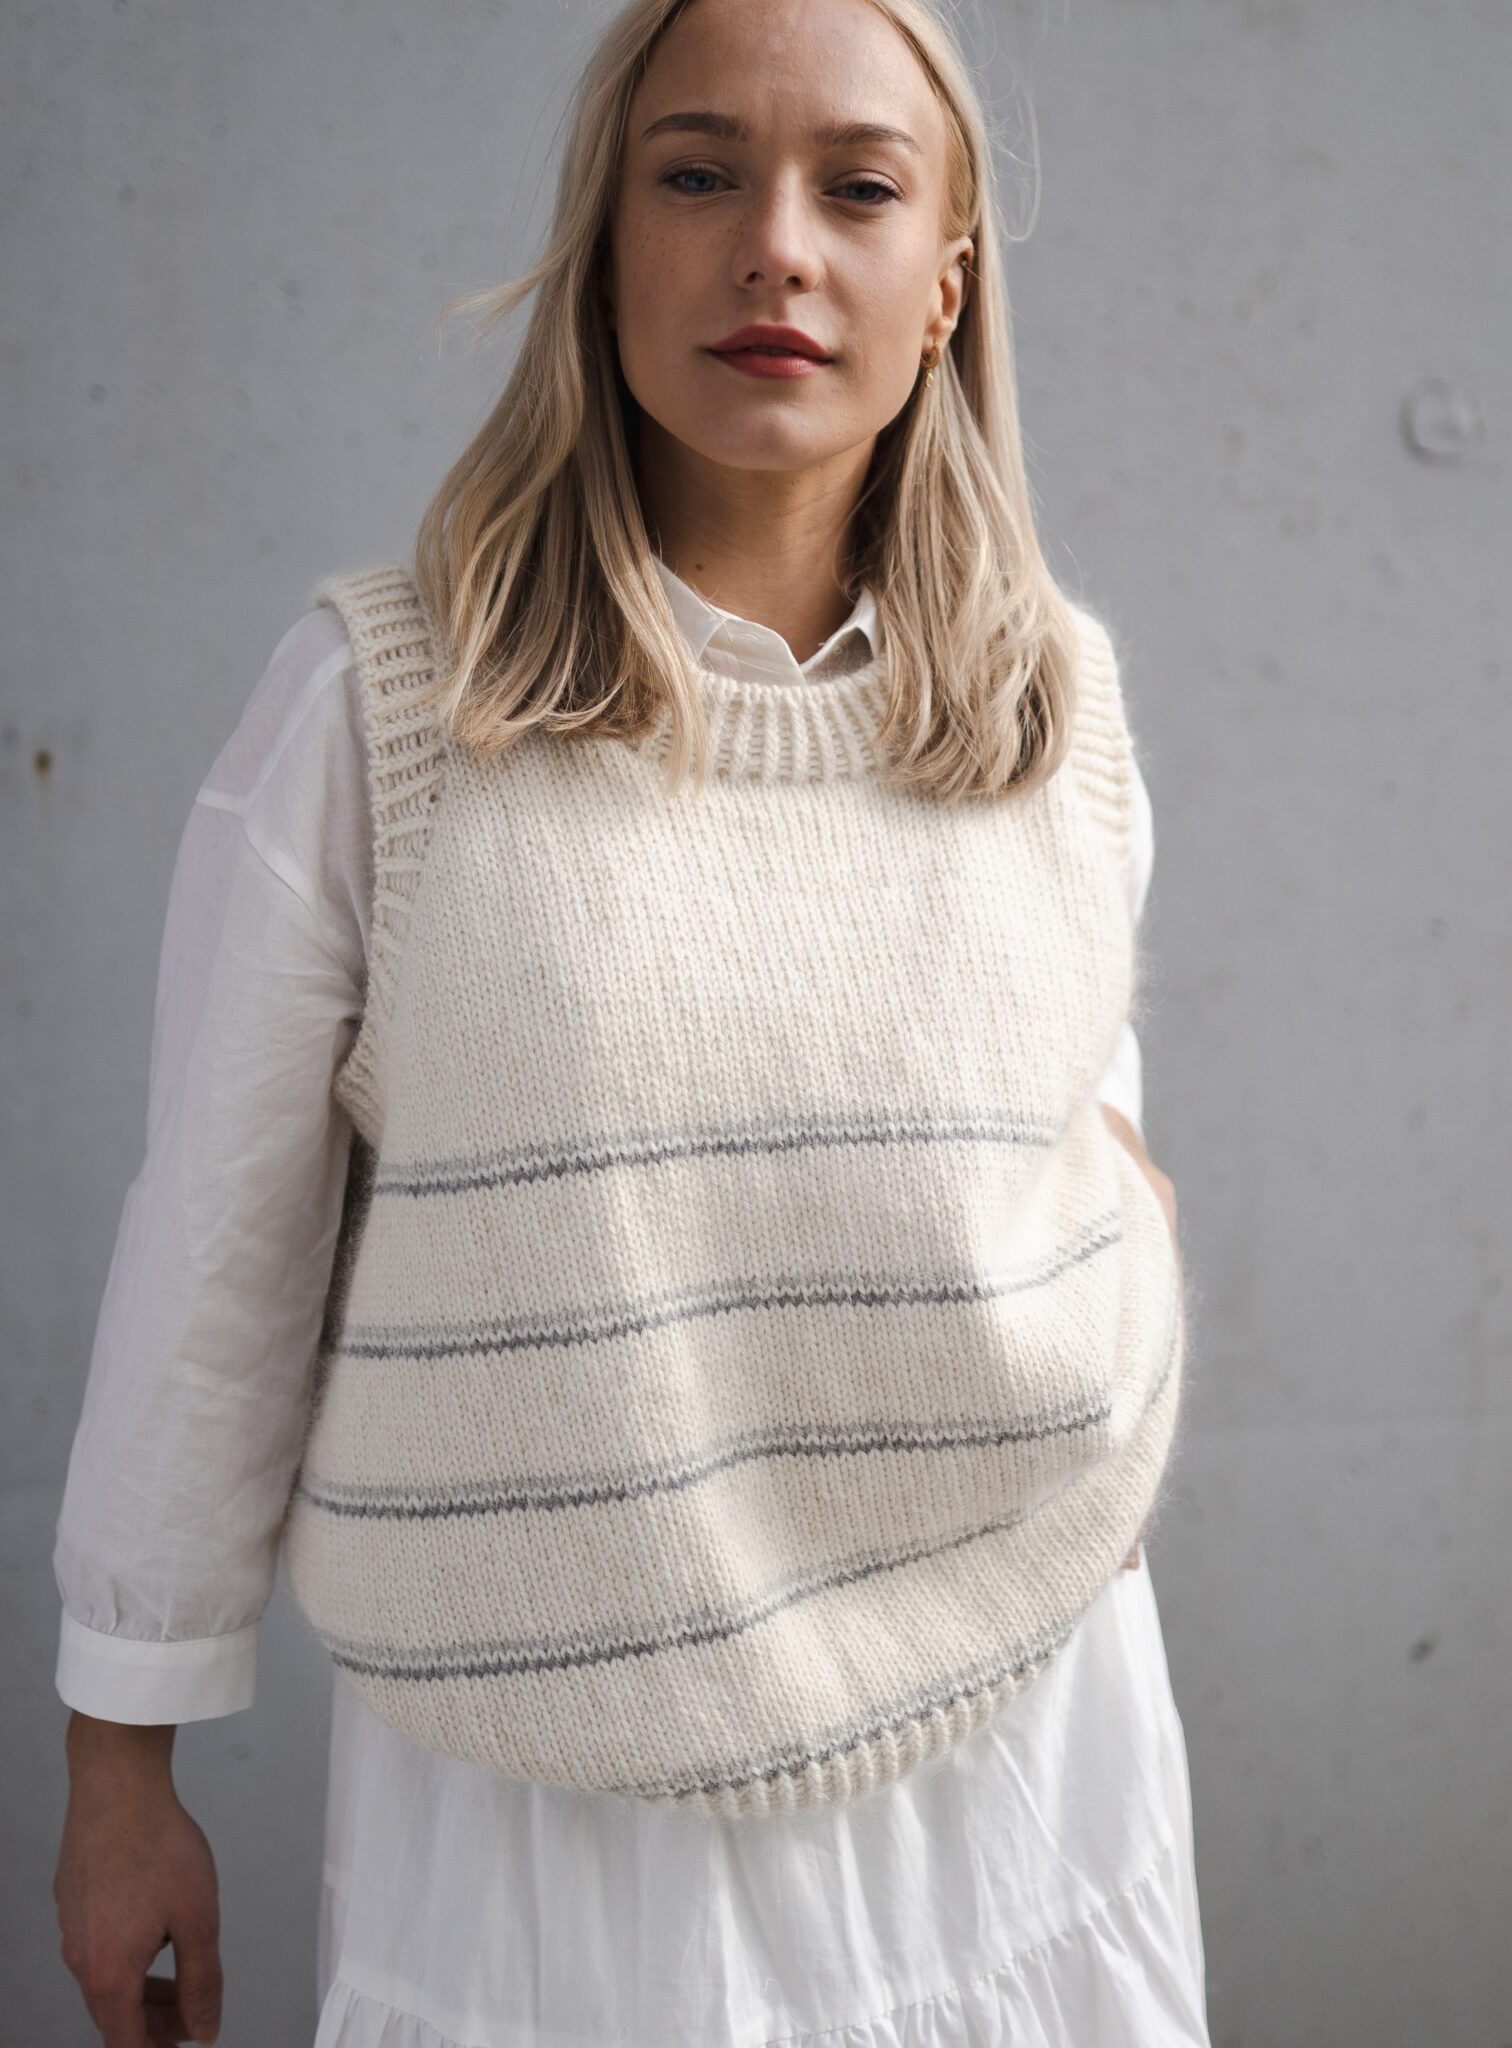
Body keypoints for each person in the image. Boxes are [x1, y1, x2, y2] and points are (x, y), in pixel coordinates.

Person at [51, 0, 1210, 2041]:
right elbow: (215, 1260)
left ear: (946, 287)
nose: (777, 246)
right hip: (550, 1813)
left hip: (1029, 1752)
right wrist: (118, 1767)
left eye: (859, 188)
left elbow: (1077, 1136)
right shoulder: (389, 712)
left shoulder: (1054, 704)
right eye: (698, 175)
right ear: (605, 252)